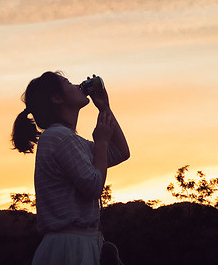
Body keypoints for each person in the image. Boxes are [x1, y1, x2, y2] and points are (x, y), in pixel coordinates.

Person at [12, 71, 130, 265]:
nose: (77, 85)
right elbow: (93, 186)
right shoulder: (58, 137)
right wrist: (100, 143)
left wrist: (104, 108)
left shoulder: (69, 140)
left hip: (79, 243)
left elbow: (120, 152)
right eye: (68, 83)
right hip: (70, 249)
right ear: (57, 98)